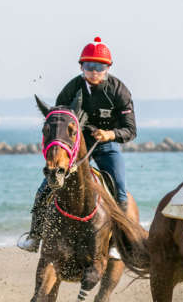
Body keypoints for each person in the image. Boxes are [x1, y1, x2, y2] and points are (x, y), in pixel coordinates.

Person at [17, 36, 137, 253]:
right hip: (76, 145)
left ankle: (119, 242)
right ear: (82, 67)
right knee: (47, 185)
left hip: (107, 144)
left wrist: (110, 134)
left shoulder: (119, 91)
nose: (94, 71)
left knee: (119, 190)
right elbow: (59, 120)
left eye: (99, 67)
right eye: (89, 66)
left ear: (107, 68)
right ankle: (35, 235)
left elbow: (131, 130)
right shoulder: (72, 88)